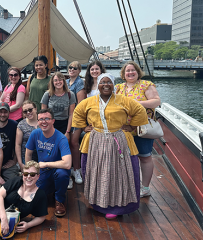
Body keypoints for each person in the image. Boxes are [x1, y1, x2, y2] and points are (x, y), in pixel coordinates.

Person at [72, 73, 148, 219]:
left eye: (109, 82)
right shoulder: (89, 101)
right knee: (97, 172)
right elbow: (78, 112)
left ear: (113, 85)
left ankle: (117, 207)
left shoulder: (123, 100)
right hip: (96, 141)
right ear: (98, 85)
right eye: (102, 82)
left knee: (118, 173)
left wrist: (131, 126)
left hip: (118, 140)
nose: (106, 85)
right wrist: (83, 128)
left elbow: (139, 111)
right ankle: (98, 203)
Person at [116, 61, 161, 198]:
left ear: (138, 72)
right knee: (125, 157)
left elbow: (156, 101)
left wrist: (136, 103)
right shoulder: (119, 88)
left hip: (142, 129)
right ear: (123, 74)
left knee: (145, 157)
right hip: (124, 129)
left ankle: (145, 187)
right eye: (127, 71)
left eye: (133, 70)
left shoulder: (146, 85)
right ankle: (128, 185)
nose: (130, 73)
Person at [25, 108, 72, 217]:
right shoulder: (35, 133)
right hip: (43, 173)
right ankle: (51, 188)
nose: (44, 122)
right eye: (41, 119)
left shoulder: (61, 138)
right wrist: (29, 172)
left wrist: (46, 164)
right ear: (38, 122)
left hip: (57, 170)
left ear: (53, 121)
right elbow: (28, 154)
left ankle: (59, 200)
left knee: (62, 174)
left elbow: (67, 163)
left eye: (47, 119)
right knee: (33, 198)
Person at [65, 61, 86, 188]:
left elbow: (80, 103)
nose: (72, 69)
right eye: (70, 67)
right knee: (65, 143)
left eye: (75, 68)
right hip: (66, 116)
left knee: (74, 142)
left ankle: (77, 170)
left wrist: (74, 118)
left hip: (76, 117)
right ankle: (68, 169)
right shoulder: (67, 82)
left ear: (79, 71)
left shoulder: (80, 83)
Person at [0, 102, 19, 181]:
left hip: (7, 164)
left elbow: (18, 144)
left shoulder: (14, 125)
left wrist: (14, 161)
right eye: (0, 112)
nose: (3, 114)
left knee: (14, 182)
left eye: (5, 112)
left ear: (9, 113)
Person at [15, 100, 38, 171]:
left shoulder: (42, 121)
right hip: (26, 158)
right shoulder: (21, 125)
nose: (28, 112)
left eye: (30, 110)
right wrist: (20, 162)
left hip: (42, 156)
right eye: (25, 111)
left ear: (35, 109)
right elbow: (18, 144)